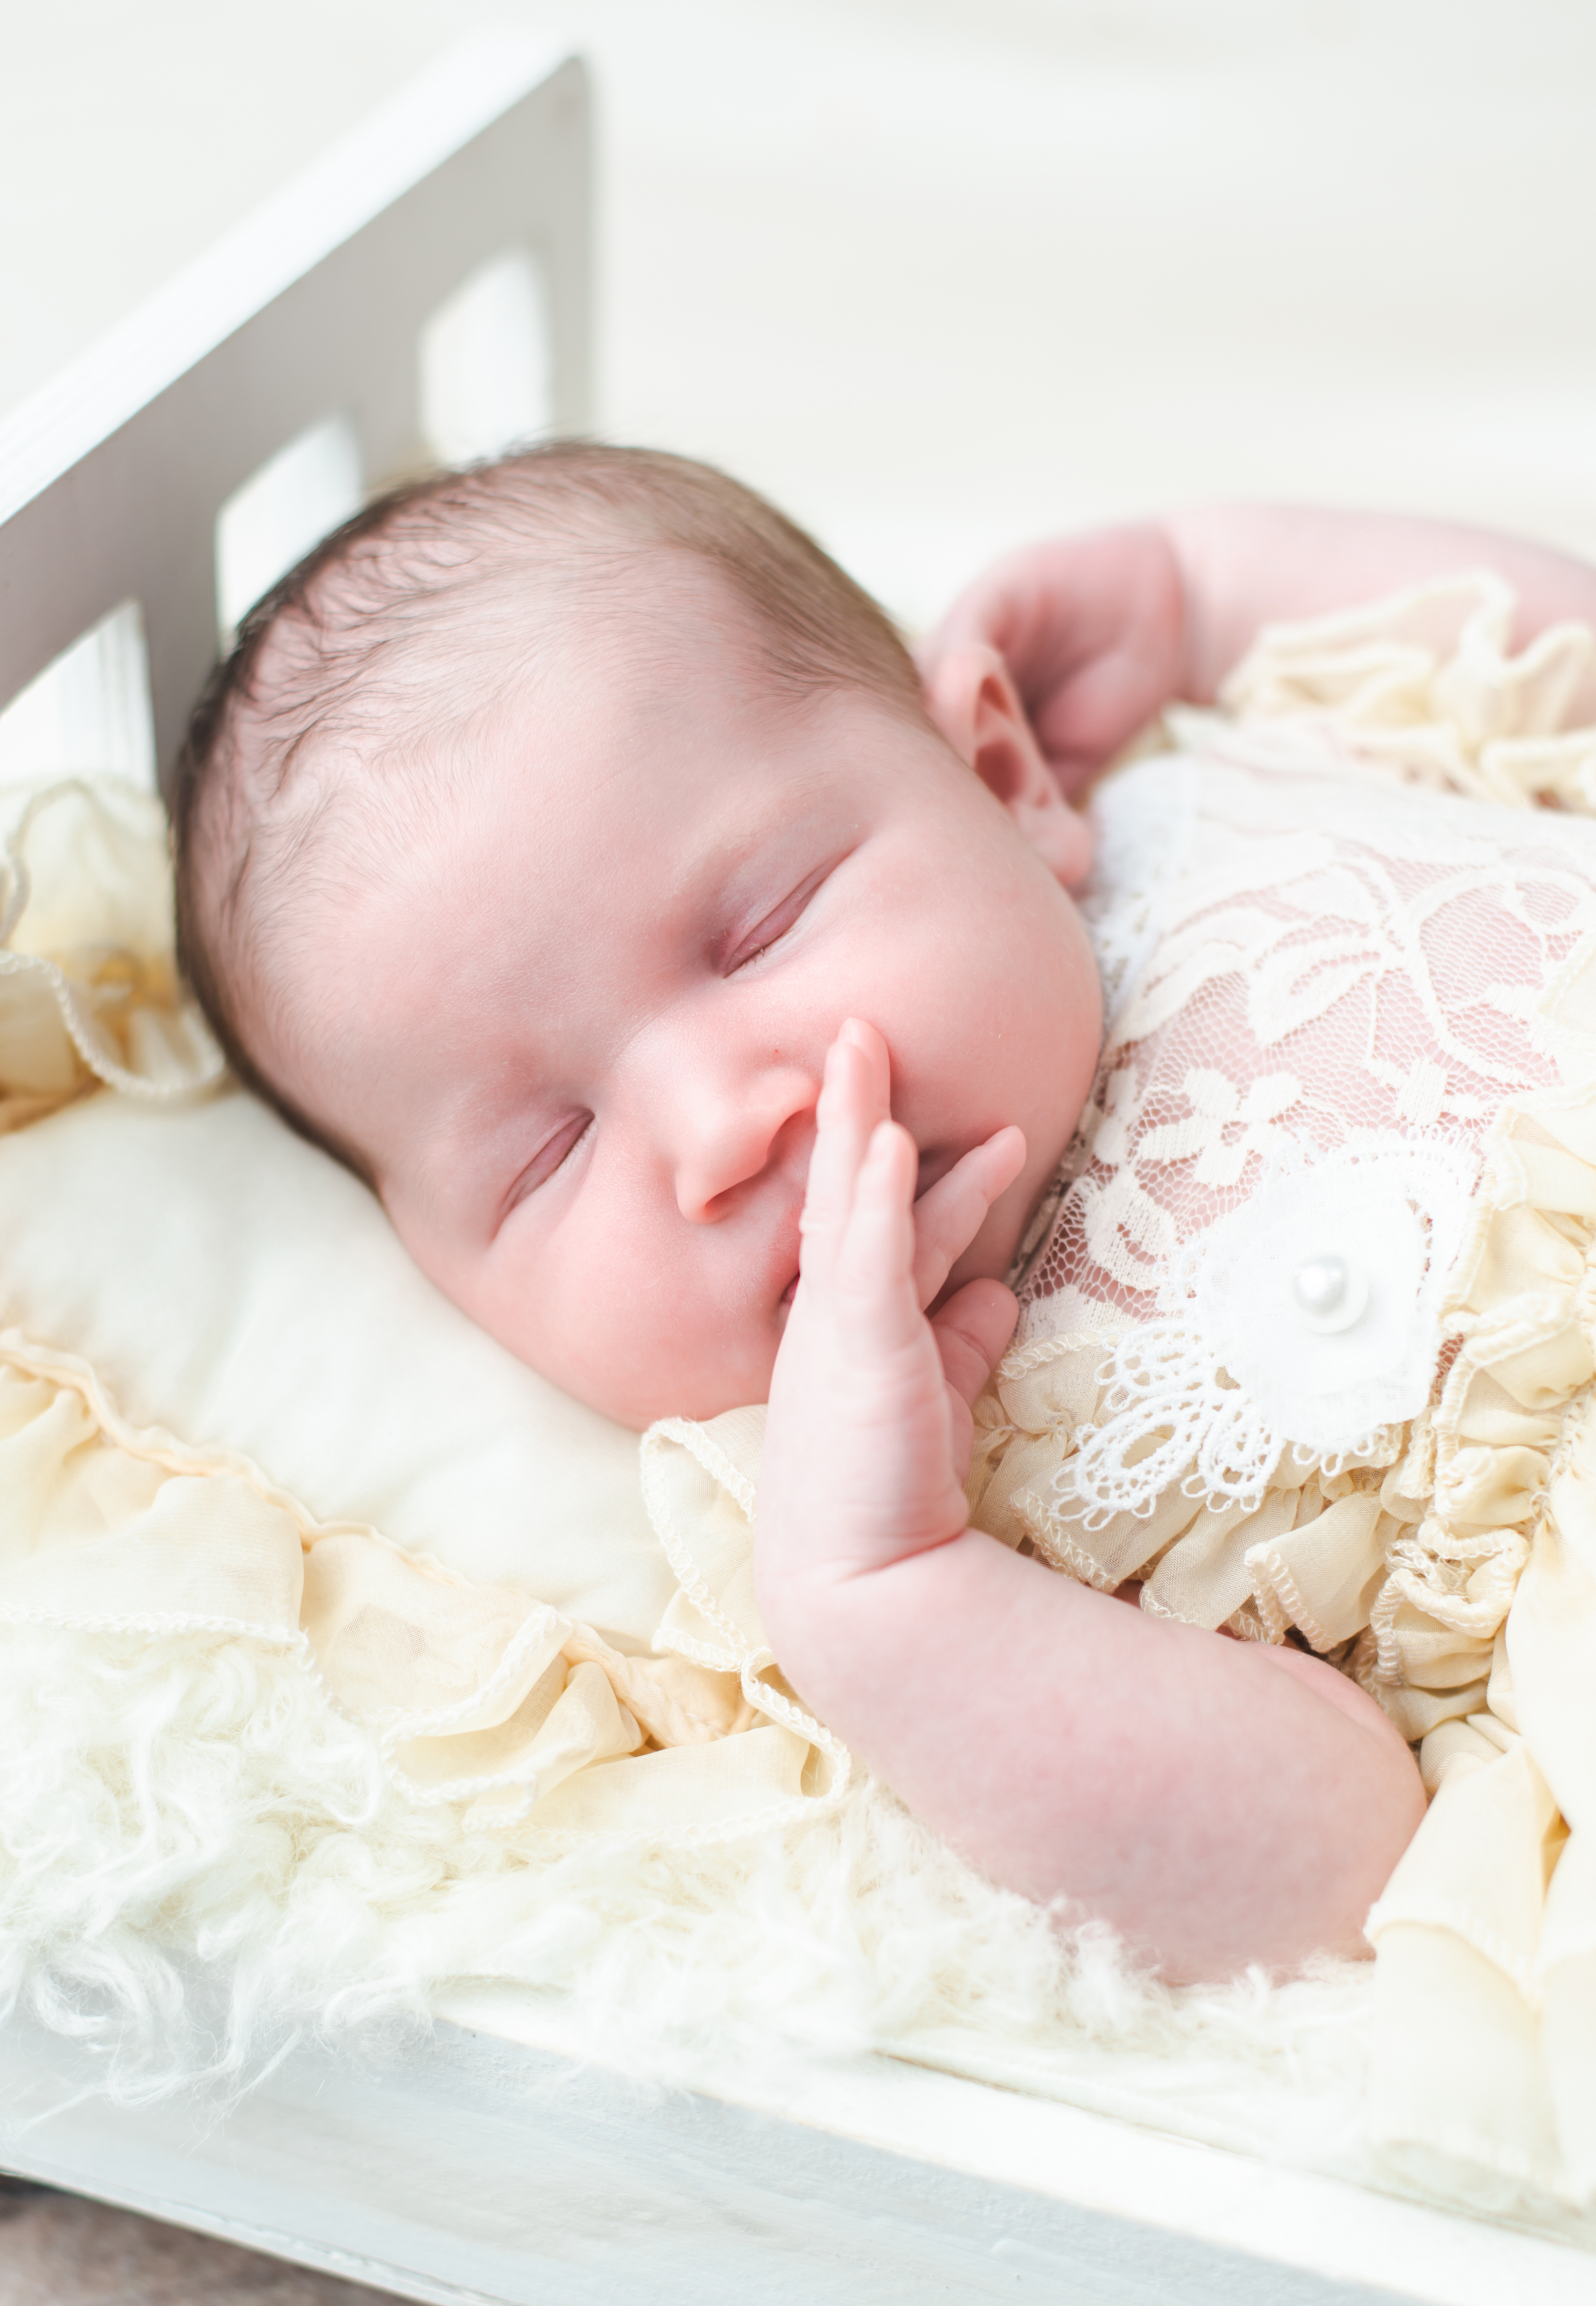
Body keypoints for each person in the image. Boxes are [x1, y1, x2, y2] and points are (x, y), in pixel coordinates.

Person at [173, 446, 1596, 1981]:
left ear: (1000, 776)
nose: (720, 1125)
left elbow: (1544, 674)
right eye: (550, 1154)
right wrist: (893, 1604)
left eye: (761, 927)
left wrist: (1199, 593)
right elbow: (1337, 1856)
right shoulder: (915, 1506)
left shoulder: (1191, 785)